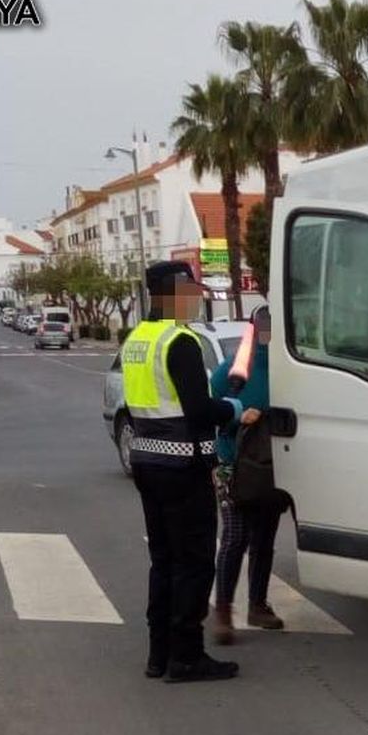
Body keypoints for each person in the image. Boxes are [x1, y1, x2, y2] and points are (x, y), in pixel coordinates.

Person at [122, 260, 251, 682]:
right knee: (194, 563)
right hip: (183, 463)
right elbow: (198, 411)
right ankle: (187, 656)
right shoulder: (180, 341)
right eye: (189, 293)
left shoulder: (137, 339)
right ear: (171, 294)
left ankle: (158, 654)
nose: (195, 301)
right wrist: (231, 409)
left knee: (163, 561)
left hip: (146, 460)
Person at [209, 307, 286, 643]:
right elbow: (212, 411)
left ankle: (257, 604)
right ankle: (223, 611)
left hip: (271, 464)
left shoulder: (291, 367)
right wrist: (238, 417)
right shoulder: (234, 370)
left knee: (265, 537)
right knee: (236, 536)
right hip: (233, 464)